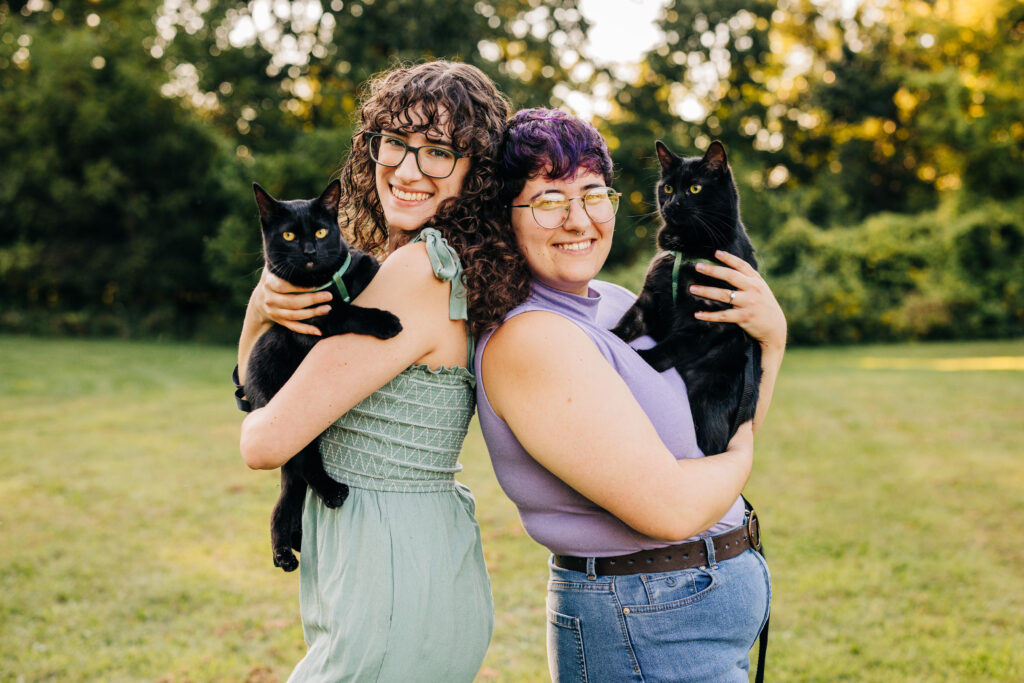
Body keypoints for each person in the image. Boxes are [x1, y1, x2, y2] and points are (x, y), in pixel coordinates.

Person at [475, 109, 787, 682]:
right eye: (549, 200)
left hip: (693, 612)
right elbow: (671, 509)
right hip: (644, 622)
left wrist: (772, 337)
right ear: (506, 218)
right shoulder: (530, 337)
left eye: (593, 193)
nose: (578, 219)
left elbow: (727, 415)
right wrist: (741, 461)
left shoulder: (620, 303)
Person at [235, 61, 519, 682]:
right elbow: (259, 376)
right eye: (395, 142)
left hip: (386, 572)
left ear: (477, 174)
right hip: (416, 558)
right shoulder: (441, 264)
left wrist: (260, 309)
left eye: (439, 151)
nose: (408, 168)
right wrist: (263, 305)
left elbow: (263, 437)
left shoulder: (416, 272)